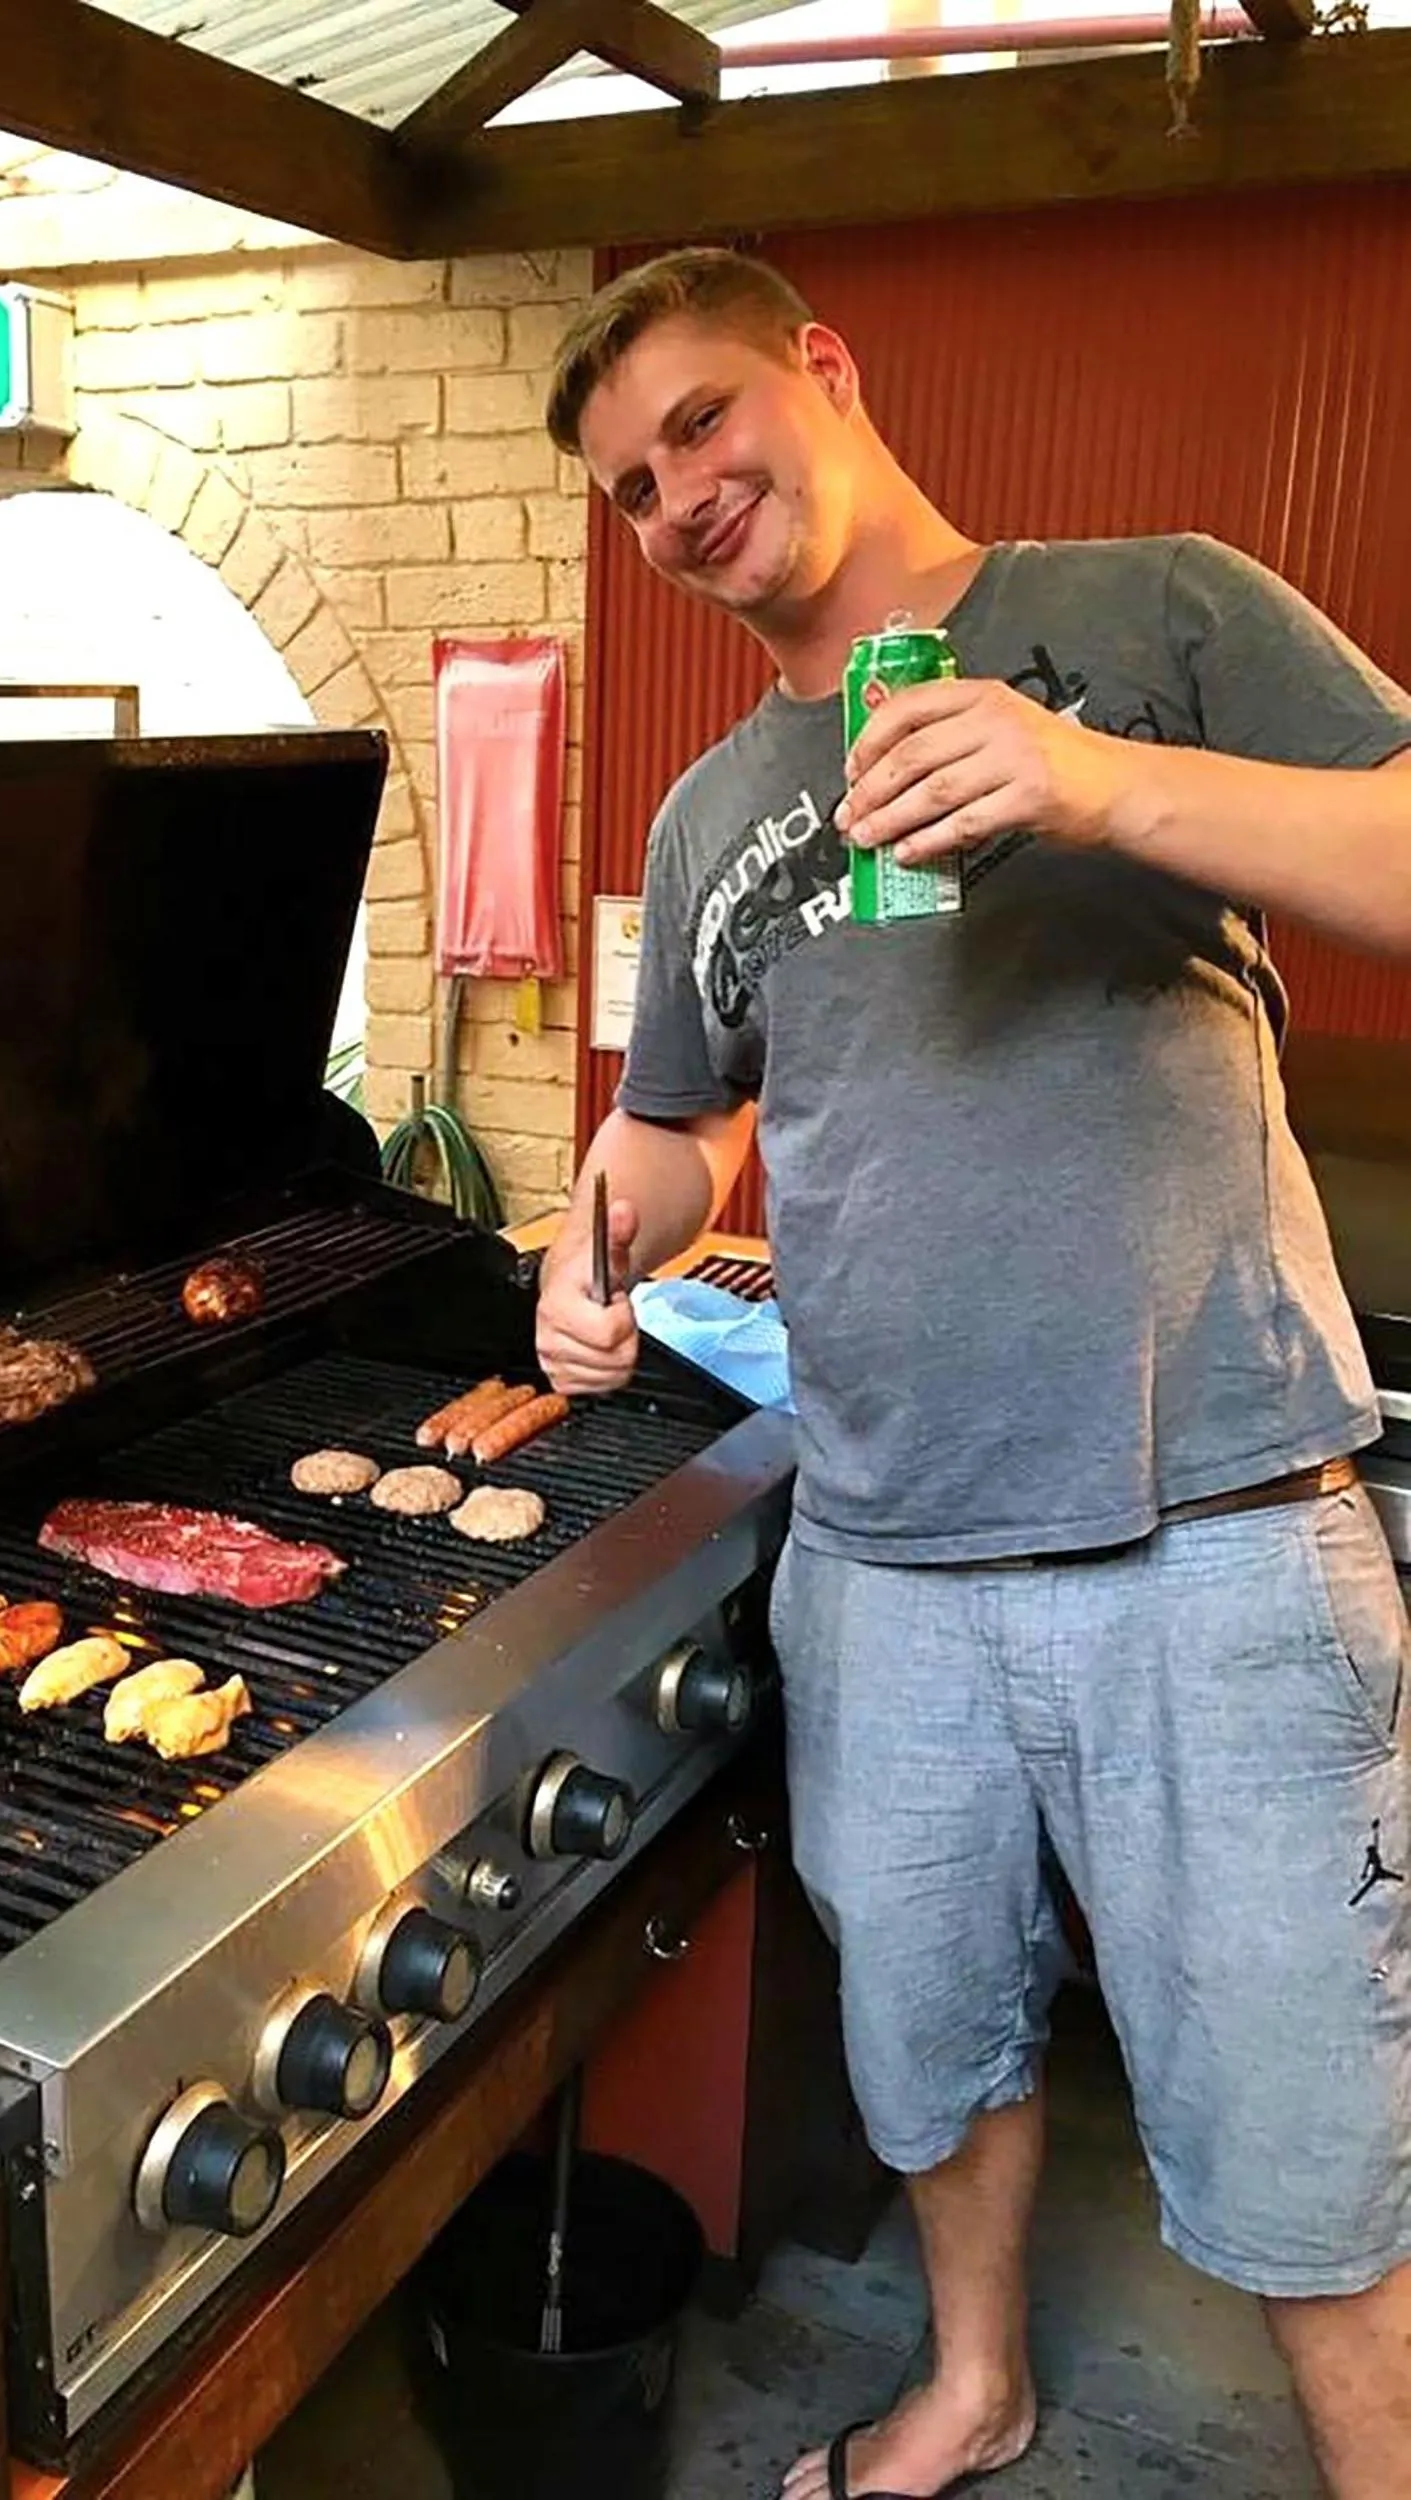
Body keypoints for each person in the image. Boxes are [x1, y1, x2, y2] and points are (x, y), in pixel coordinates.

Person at [533, 246, 1411, 2500]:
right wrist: (598, 1224)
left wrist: (1093, 780)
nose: (680, 501)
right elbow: (677, 1119)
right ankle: (974, 2385)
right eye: (633, 488)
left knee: (1299, 2101)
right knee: (930, 2046)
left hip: (1208, 1528)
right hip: (884, 1552)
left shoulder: (1150, 614)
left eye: (705, 425)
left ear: (821, 369)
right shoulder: (712, 811)